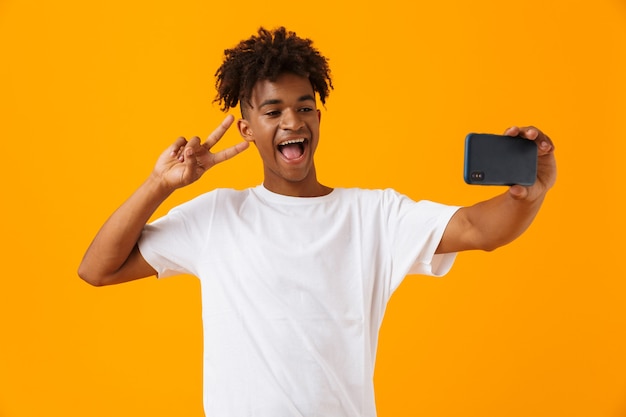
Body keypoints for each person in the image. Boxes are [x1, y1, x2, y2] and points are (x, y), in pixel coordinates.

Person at [78, 26, 556, 417]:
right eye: (273, 111)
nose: (293, 121)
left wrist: (528, 195)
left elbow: (478, 229)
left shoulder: (373, 216)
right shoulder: (216, 216)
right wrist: (159, 185)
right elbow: (97, 268)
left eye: (304, 107)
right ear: (247, 128)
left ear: (319, 118)